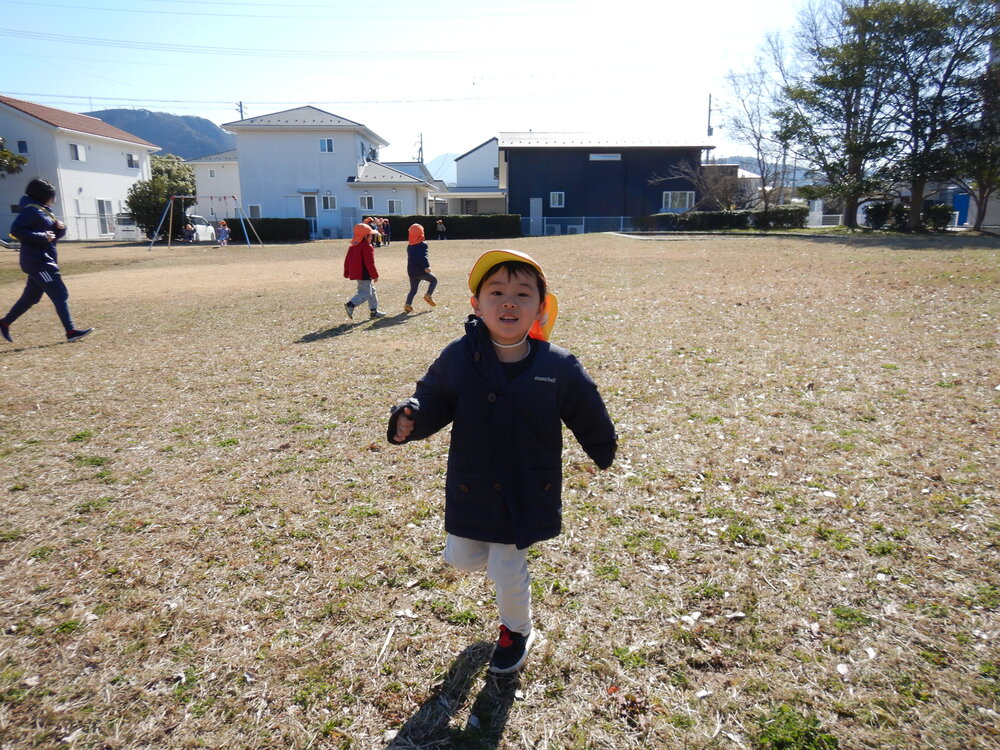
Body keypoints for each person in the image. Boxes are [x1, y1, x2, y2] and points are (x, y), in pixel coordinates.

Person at [387, 249, 616, 673]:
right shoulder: (459, 356)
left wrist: (602, 447)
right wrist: (412, 416)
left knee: (508, 566)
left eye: (522, 293)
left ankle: (517, 630)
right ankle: (485, 563)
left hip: (525, 486)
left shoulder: (557, 365)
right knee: (462, 558)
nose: (509, 301)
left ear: (540, 307)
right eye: (496, 292)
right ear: (477, 305)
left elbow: (587, 408)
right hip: (471, 484)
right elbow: (434, 396)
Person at [1, 178, 92, 344]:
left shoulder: (42, 211)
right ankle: (71, 331)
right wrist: (43, 236)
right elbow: (16, 231)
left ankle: (4, 323)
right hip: (40, 262)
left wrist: (60, 229)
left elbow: (51, 238)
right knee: (60, 293)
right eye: (51, 196)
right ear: (43, 196)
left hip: (43, 260)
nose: (53, 200)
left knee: (31, 298)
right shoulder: (31, 211)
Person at [343, 222, 386, 319]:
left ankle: (374, 311)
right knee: (366, 293)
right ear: (365, 236)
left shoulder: (353, 246)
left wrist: (346, 272)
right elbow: (369, 263)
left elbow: (347, 260)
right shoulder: (367, 247)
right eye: (370, 235)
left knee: (371, 291)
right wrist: (375, 275)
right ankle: (350, 305)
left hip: (358, 273)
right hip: (364, 274)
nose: (372, 237)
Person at [403, 223, 437, 313]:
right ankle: (428, 295)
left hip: (411, 271)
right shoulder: (423, 245)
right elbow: (423, 256)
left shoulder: (409, 246)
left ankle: (408, 304)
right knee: (434, 280)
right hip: (420, 270)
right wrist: (426, 267)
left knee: (413, 289)